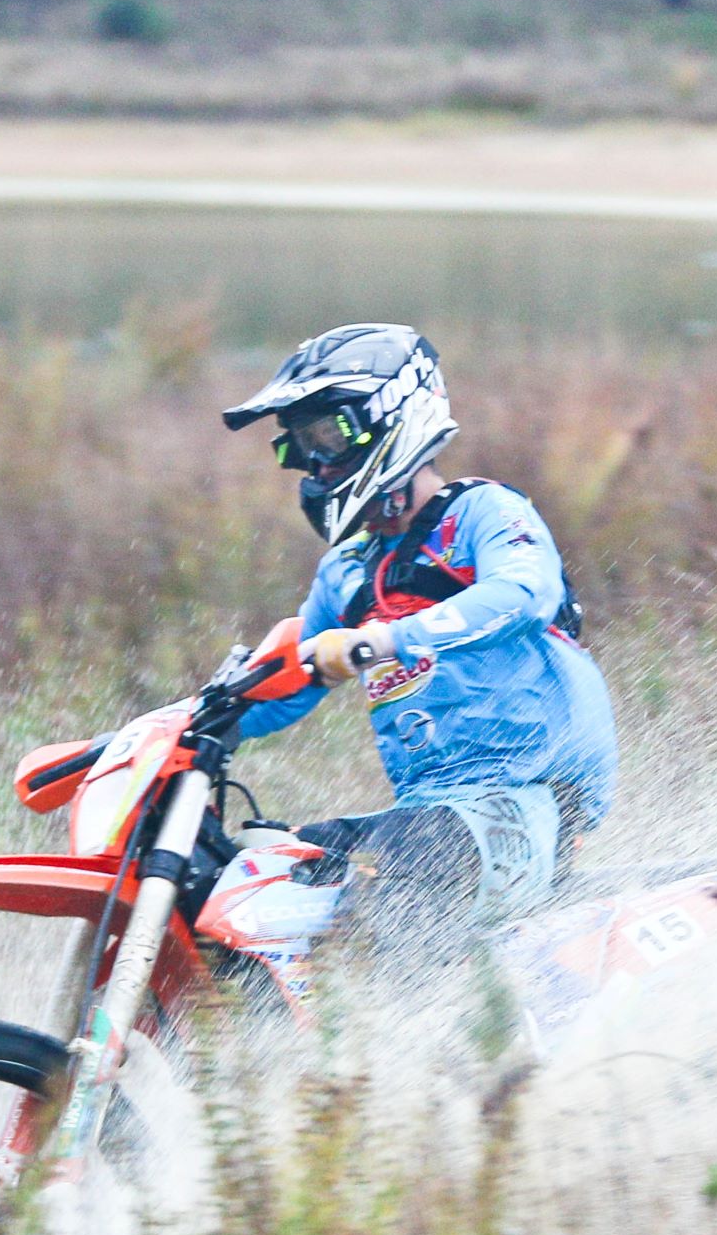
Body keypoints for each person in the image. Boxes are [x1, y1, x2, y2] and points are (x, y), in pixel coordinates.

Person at [227, 323, 618, 945]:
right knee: (261, 872)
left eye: (329, 434)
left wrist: (383, 640)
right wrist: (174, 734)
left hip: (530, 802)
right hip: (427, 811)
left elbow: (523, 595)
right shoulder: (348, 572)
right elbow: (292, 681)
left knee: (401, 863)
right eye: (301, 445)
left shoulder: (483, 513)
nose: (318, 461)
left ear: (393, 417)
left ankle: (424, 1039)